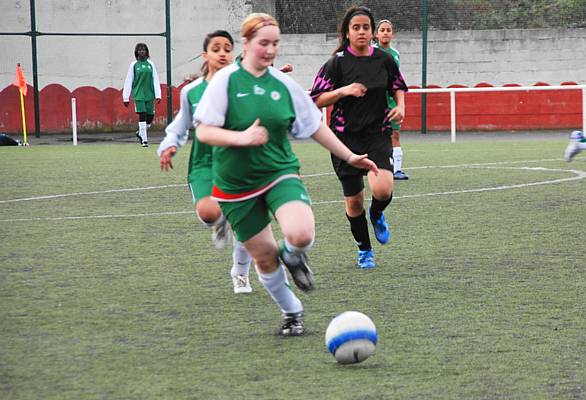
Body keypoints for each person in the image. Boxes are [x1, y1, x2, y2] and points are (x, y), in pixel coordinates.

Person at [193, 13, 379, 336]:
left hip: (279, 172)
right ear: (247, 43)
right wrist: (240, 138)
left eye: (275, 43)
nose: (270, 50)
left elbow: (314, 126)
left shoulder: (283, 84)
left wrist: (350, 156)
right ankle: (292, 312)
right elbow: (205, 131)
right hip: (236, 185)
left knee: (300, 234)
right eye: (263, 43)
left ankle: (293, 257)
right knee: (265, 258)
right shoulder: (225, 81)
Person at [310, 6, 408, 269]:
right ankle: (364, 249)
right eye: (356, 28)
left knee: (383, 188)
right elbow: (317, 99)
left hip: (377, 134)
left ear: (373, 32)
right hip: (344, 140)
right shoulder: (336, 63)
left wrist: (401, 106)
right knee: (354, 202)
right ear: (347, 32)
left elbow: (398, 86)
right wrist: (344, 91)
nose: (362, 32)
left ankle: (377, 214)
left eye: (366, 27)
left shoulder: (384, 59)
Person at [157, 30, 253, 295]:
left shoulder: (242, 87)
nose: (222, 53)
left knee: (246, 226)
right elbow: (180, 125)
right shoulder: (192, 91)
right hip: (204, 164)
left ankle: (241, 273)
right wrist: (170, 145)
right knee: (209, 212)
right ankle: (219, 222)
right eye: (216, 48)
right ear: (206, 55)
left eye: (227, 48)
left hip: (239, 164)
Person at [373, 19, 408, 180]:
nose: (385, 32)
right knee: (374, 135)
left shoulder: (395, 54)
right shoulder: (371, 51)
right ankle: (372, 167)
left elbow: (395, 78)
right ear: (376, 34)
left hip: (391, 101)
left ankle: (397, 170)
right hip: (374, 101)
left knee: (395, 134)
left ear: (392, 34)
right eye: (382, 30)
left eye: (388, 30)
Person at [123, 43, 161, 147]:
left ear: (147, 52)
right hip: (138, 94)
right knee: (142, 115)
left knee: (150, 116)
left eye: (143, 50)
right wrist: (125, 97)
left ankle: (140, 132)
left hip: (150, 94)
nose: (142, 51)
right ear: (136, 52)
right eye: (139, 50)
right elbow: (129, 80)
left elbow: (155, 79)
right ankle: (144, 140)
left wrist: (158, 95)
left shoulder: (151, 64)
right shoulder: (134, 65)